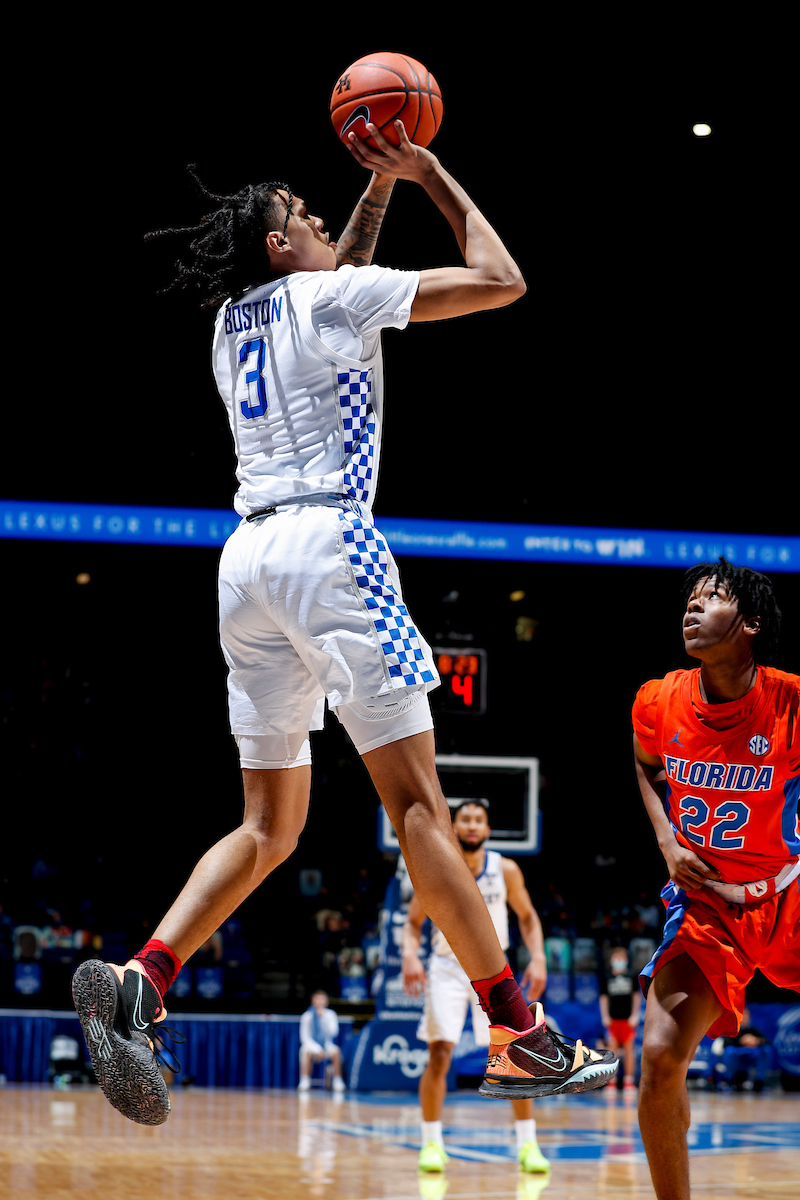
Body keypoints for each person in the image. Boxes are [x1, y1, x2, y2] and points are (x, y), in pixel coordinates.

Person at [72, 119, 615, 1127]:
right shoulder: (328, 297)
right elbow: (501, 278)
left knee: (267, 826)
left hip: (244, 569)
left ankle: (145, 980)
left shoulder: (235, 318)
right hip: (331, 549)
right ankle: (521, 1030)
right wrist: (429, 172)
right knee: (417, 809)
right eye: (304, 216)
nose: (322, 219)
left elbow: (334, 280)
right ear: (281, 245)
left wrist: (371, 196)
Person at [632, 557, 800, 1200]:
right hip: (707, 907)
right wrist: (667, 839)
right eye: (690, 600)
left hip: (787, 893)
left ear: (751, 624)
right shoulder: (660, 698)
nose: (692, 608)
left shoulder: (790, 702)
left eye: (713, 599)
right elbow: (646, 764)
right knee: (659, 1058)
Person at [402, 800, 550, 1175]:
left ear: (487, 829)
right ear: (454, 826)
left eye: (478, 820)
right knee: (439, 1054)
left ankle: (528, 1144)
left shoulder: (507, 869)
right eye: (464, 819)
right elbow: (413, 922)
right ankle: (432, 1143)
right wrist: (410, 956)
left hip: (492, 968)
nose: (471, 825)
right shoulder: (439, 866)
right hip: (447, 967)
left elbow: (529, 916)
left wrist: (538, 957)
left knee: (517, 1054)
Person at [598, 945, 641, 1090]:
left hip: (627, 1020)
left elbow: (636, 997)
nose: (619, 961)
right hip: (613, 1020)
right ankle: (612, 1081)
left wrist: (635, 1015)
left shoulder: (631, 976)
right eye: (616, 958)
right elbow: (603, 998)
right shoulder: (607, 977)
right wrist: (605, 1016)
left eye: (621, 959)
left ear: (626, 960)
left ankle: (629, 1081)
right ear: (611, 960)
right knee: (612, 1050)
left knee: (629, 1050)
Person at [298, 989, 345, 1092]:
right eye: (317, 999)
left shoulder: (330, 1015)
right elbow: (304, 1038)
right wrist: (318, 1049)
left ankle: (338, 1080)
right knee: (306, 1051)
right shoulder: (307, 1016)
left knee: (336, 1051)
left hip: (326, 1045)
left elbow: (334, 1032)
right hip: (312, 1047)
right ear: (313, 1001)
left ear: (326, 1001)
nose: (320, 1002)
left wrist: (323, 1019)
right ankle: (305, 1080)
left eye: (322, 1000)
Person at [716, 1007, 771, 1092]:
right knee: (729, 1051)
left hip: (751, 1055)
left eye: (747, 1016)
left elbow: (767, 1041)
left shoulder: (753, 1030)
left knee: (766, 1050)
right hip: (737, 1055)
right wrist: (742, 1042)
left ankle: (759, 1081)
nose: (745, 1018)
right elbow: (726, 1043)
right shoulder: (732, 1029)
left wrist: (756, 1040)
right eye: (743, 1016)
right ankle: (729, 1080)